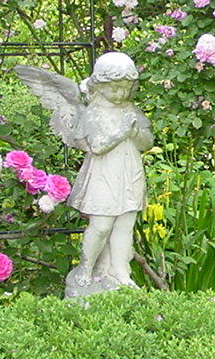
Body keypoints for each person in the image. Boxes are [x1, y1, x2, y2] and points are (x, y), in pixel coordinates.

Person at [66, 51, 154, 289]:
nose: (120, 94)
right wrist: (122, 132)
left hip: (129, 171)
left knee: (125, 225)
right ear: (100, 85)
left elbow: (148, 143)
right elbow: (97, 145)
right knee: (102, 225)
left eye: (125, 88)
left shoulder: (131, 110)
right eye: (114, 88)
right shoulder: (94, 112)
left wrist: (136, 133)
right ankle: (87, 265)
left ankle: (120, 272)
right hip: (104, 174)